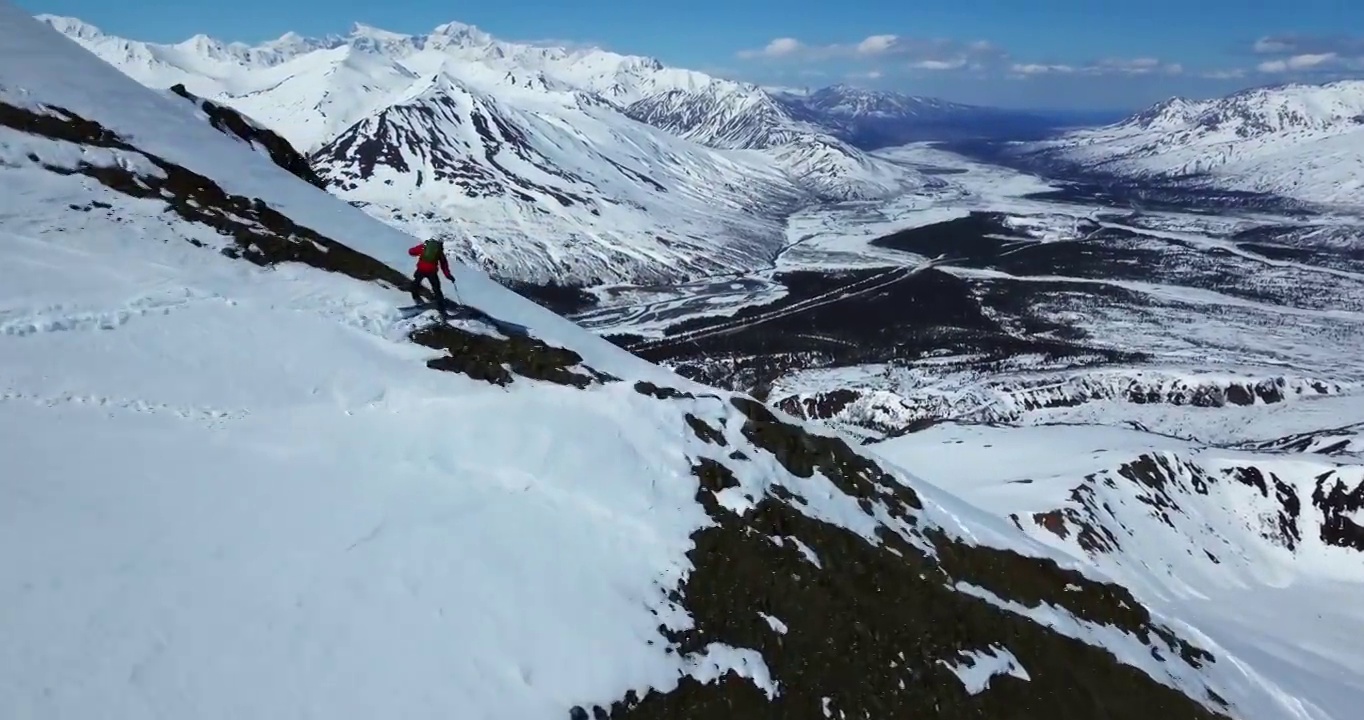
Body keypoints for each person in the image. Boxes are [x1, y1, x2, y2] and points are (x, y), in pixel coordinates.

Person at [407, 238, 455, 316]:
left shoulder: (424, 247)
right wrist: (449, 276)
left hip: (421, 269)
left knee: (416, 283)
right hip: (431, 271)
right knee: (436, 288)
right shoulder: (439, 251)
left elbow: (411, 252)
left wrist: (421, 249)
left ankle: (416, 299)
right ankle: (441, 306)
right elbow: (444, 265)